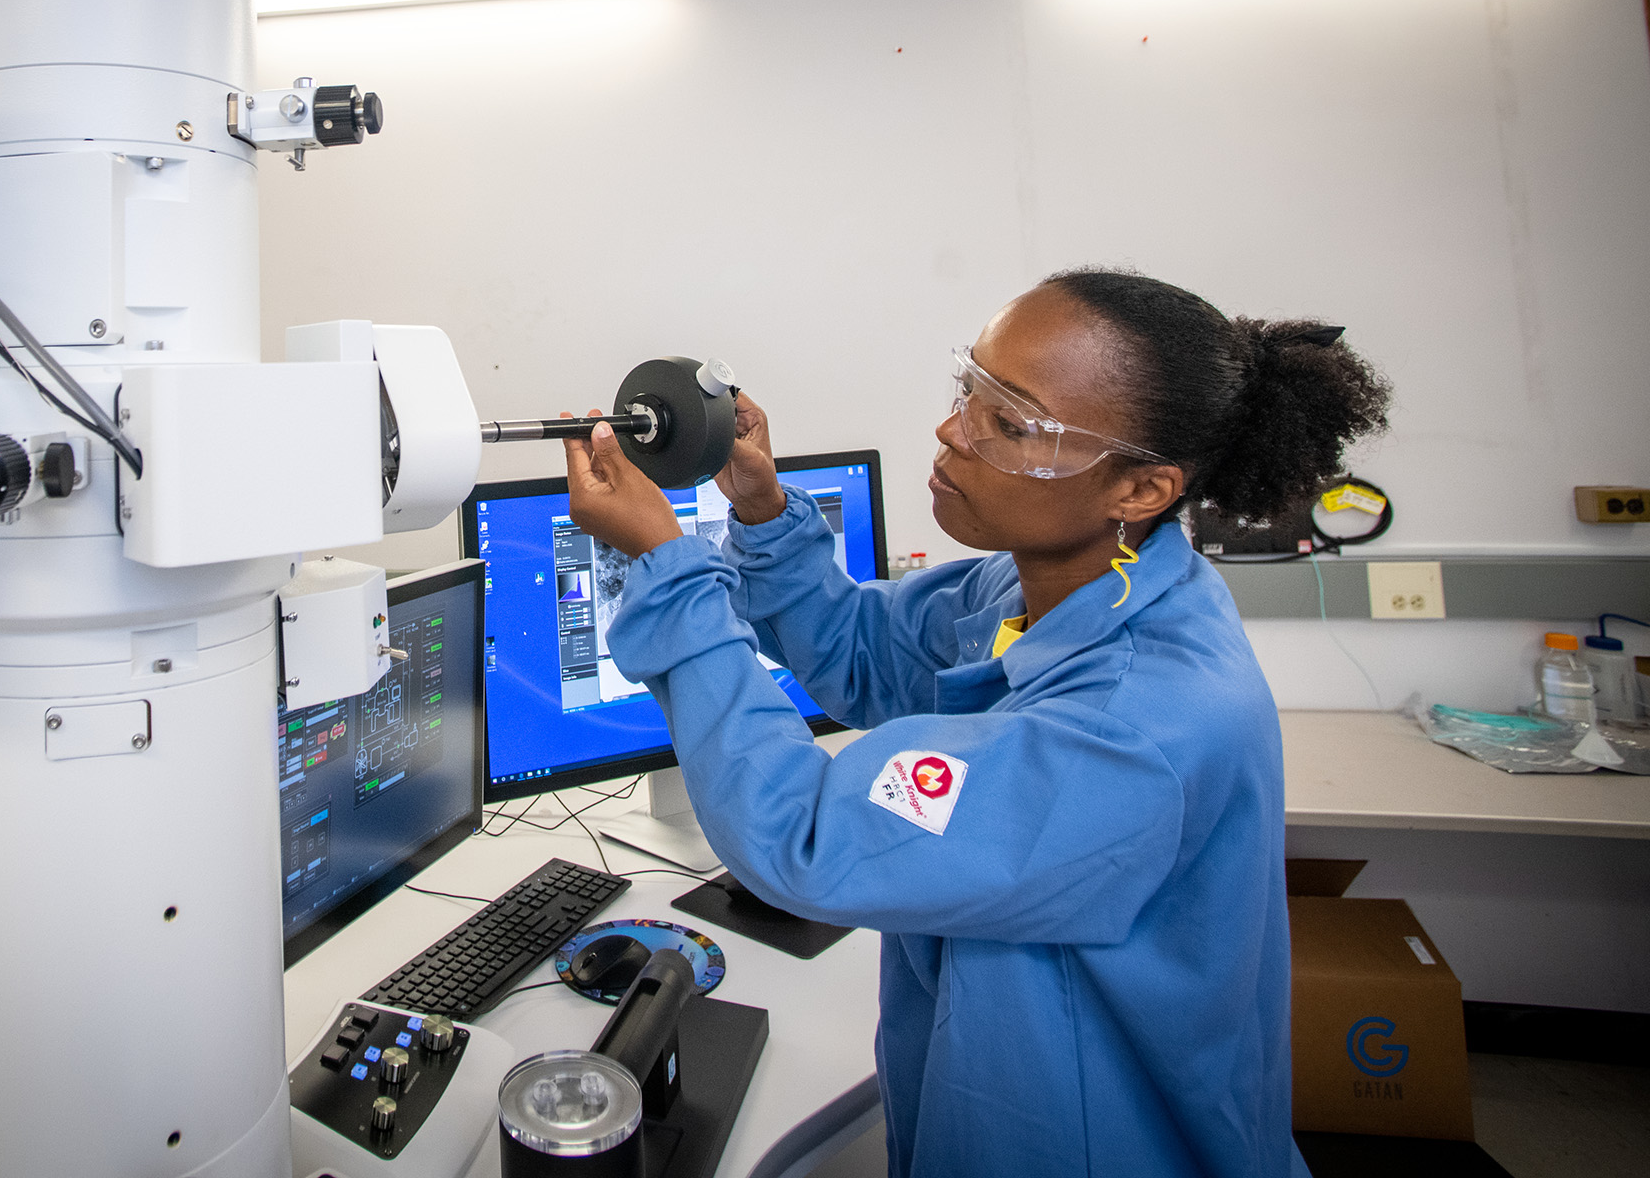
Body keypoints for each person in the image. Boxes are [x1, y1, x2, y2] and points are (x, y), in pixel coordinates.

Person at [560, 268, 1390, 1177]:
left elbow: (800, 832)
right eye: (970, 389)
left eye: (1012, 422)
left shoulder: (1138, 728)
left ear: (1143, 489)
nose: (952, 430)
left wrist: (667, 565)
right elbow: (863, 654)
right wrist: (756, 501)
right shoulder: (1052, 585)